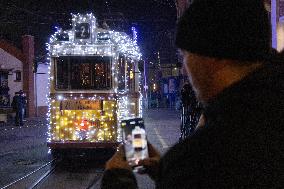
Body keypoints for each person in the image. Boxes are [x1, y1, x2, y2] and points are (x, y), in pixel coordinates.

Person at [101, 0, 284, 188]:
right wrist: (168, 172)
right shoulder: (268, 112)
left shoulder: (205, 156)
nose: (184, 71)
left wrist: (118, 179)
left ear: (212, 56)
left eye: (186, 56)